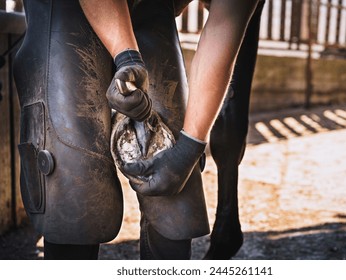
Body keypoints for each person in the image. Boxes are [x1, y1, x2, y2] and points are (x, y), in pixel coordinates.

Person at [13, 0, 260, 260]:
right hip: (63, 8)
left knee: (174, 196)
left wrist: (190, 145)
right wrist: (126, 56)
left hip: (155, 6)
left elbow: (226, 20)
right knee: (75, 187)